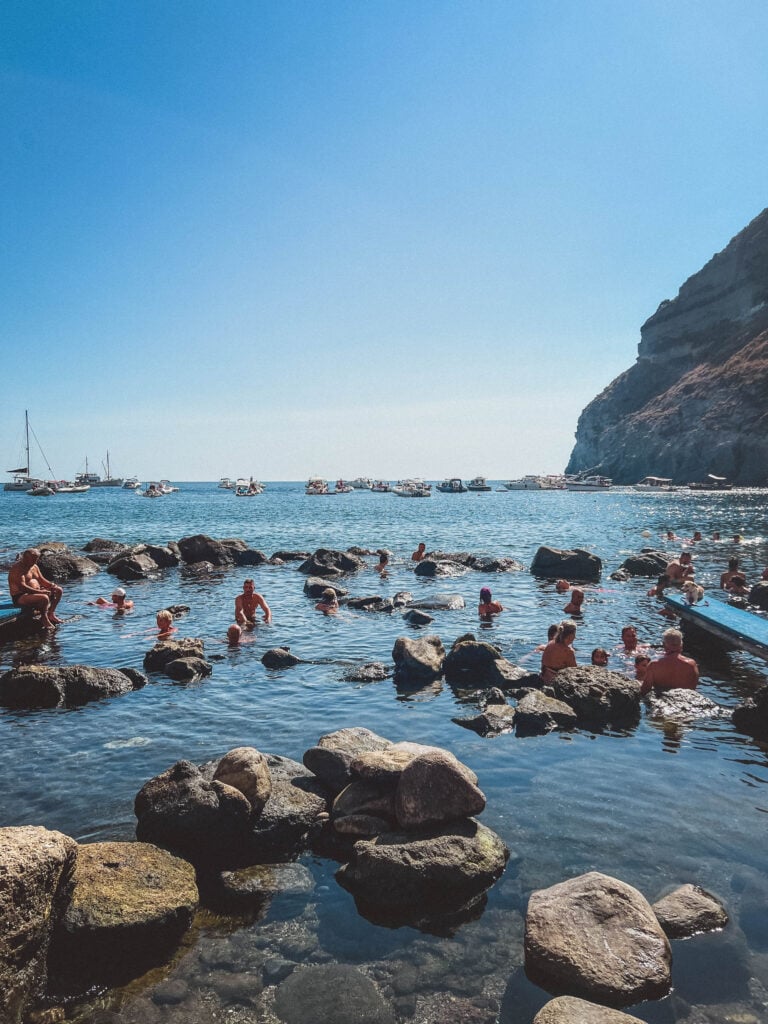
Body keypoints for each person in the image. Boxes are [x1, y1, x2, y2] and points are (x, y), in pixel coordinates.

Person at [7, 548, 63, 628]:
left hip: (35, 592)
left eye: (36, 559)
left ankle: (51, 614)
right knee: (44, 597)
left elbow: (42, 580)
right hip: (20, 597)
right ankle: (44, 618)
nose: (35, 562)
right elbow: (23, 587)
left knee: (59, 590)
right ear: (25, 558)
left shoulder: (34, 567)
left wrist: (52, 585)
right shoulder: (17, 569)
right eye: (32, 560)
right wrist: (41, 592)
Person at [640, 628, 699, 695]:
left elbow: (645, 690)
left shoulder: (654, 665)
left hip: (662, 702)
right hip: (684, 702)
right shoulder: (691, 664)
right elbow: (693, 689)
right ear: (681, 645)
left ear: (664, 645)